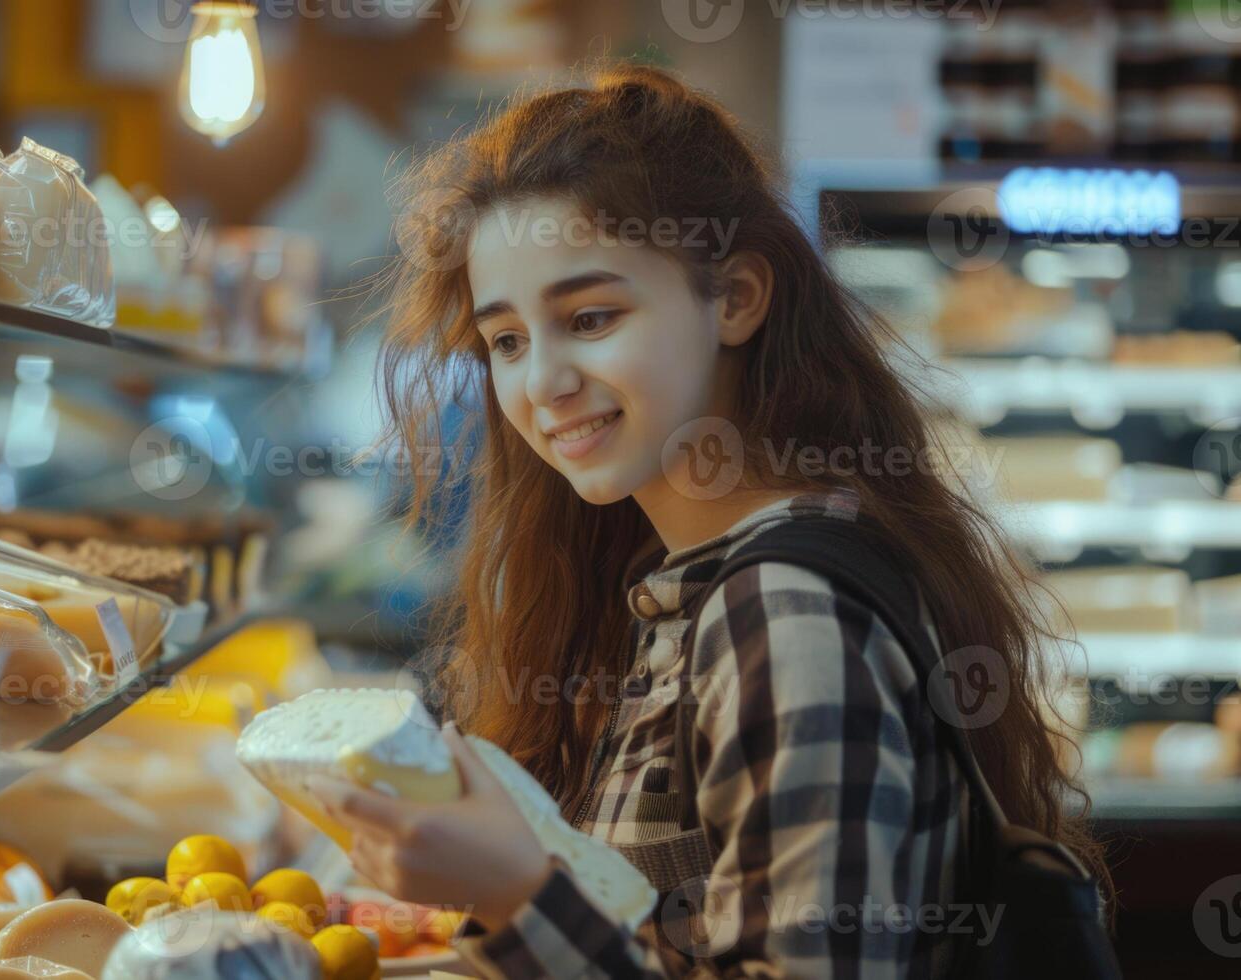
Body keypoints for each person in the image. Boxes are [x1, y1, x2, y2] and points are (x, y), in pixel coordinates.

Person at [306, 62, 1106, 978]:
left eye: (592, 316)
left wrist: (520, 897)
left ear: (734, 298)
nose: (543, 383)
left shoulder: (785, 610)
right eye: (507, 341)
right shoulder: (676, 577)